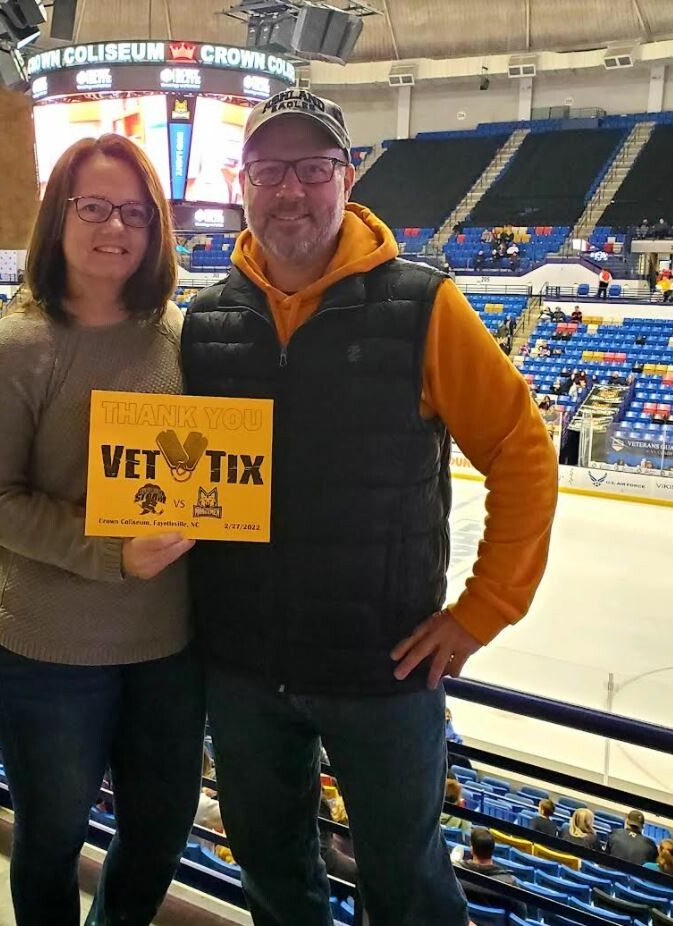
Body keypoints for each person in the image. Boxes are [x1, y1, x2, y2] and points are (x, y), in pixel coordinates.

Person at [181, 89, 558, 926]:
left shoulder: (422, 305)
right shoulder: (204, 321)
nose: (290, 191)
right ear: (241, 183)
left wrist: (481, 610)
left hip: (383, 671)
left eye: (312, 169)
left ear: (345, 178)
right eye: (269, 170)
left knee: (408, 886)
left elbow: (521, 451)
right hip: (241, 669)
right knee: (273, 874)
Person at [0, 135, 206, 926]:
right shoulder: (16, 347)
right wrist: (108, 553)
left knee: (160, 835)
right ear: (57, 217)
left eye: (134, 211)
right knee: (53, 839)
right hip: (48, 654)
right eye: (93, 206)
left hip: (168, 650)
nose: (115, 226)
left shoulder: (181, 335)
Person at [457, 828, 528, 919]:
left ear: (472, 850)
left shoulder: (458, 873)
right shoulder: (509, 883)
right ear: (493, 850)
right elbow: (522, 916)